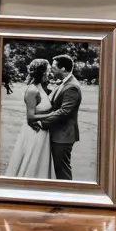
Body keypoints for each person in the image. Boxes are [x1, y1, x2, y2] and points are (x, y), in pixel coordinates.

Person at [34, 53, 82, 181]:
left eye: (54, 67)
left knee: (62, 169)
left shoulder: (72, 87)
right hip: (58, 133)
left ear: (63, 69)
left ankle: (68, 196)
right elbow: (55, 102)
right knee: (58, 168)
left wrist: (42, 123)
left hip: (63, 135)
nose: (52, 69)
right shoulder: (64, 83)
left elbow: (64, 111)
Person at [5, 58, 53, 179]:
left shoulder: (42, 87)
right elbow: (30, 117)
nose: (50, 72)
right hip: (34, 133)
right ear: (42, 72)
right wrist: (54, 115)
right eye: (48, 70)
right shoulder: (32, 90)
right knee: (31, 162)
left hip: (43, 133)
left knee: (40, 163)